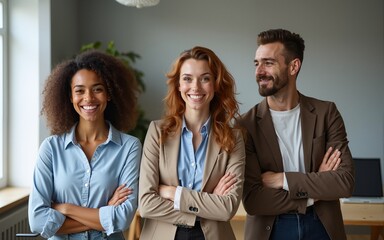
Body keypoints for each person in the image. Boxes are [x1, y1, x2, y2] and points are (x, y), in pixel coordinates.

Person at [237, 29, 355, 240]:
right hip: (271, 229)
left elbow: (344, 182)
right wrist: (315, 190)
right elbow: (254, 200)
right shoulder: (245, 125)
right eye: (256, 63)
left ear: (293, 66)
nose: (259, 71)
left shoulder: (326, 113)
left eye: (268, 63)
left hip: (322, 225)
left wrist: (281, 179)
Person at [28, 50, 142, 239]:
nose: (88, 98)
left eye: (97, 89)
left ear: (109, 94)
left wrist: (65, 208)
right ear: (70, 97)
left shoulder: (129, 147)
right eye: (79, 90)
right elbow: (38, 221)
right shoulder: (51, 148)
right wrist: (104, 214)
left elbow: (122, 219)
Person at [138, 46, 245, 240]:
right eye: (187, 78)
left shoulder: (234, 139)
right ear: (178, 85)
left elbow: (227, 208)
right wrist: (207, 206)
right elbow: (146, 204)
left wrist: (173, 193)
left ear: (216, 84)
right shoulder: (157, 132)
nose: (195, 87)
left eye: (205, 78)